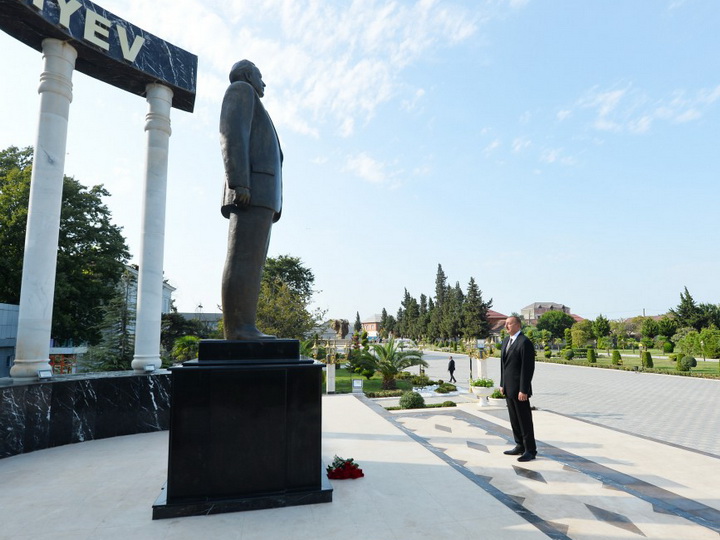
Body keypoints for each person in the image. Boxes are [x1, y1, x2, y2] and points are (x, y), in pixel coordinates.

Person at [219, 60, 282, 340]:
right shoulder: (241, 90)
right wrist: (239, 181)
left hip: (263, 194)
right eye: (261, 75)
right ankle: (239, 329)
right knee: (242, 260)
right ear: (247, 75)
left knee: (253, 264)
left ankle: (246, 326)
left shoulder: (255, 102)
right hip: (251, 189)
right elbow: (232, 134)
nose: (264, 82)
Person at [499, 316, 537, 462]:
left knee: (524, 420)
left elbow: (527, 369)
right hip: (509, 388)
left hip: (520, 390)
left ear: (518, 325)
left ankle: (530, 450)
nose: (506, 326)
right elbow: (503, 365)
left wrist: (524, 389)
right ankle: (519, 445)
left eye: (509, 324)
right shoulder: (506, 341)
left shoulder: (524, 342)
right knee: (514, 419)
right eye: (505, 324)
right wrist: (502, 384)